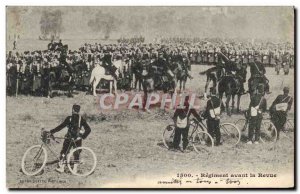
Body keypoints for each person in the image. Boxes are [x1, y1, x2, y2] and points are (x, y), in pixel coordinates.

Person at [49, 104, 91, 173]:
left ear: (73, 110)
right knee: (76, 153)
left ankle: (61, 168)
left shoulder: (69, 118)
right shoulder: (81, 119)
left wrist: (52, 131)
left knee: (64, 152)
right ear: (79, 111)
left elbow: (61, 126)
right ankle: (75, 169)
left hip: (69, 137)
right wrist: (82, 137)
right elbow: (88, 129)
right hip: (77, 139)